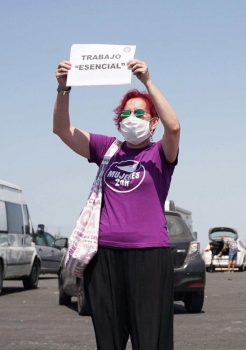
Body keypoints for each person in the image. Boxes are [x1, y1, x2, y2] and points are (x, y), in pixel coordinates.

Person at [53, 59, 180, 350]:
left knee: (151, 340)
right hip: (105, 259)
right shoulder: (107, 149)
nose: (131, 117)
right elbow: (62, 129)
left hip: (149, 257)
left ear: (152, 121)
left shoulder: (160, 154)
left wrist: (147, 80)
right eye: (126, 112)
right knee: (108, 341)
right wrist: (63, 88)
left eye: (139, 112)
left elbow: (173, 127)